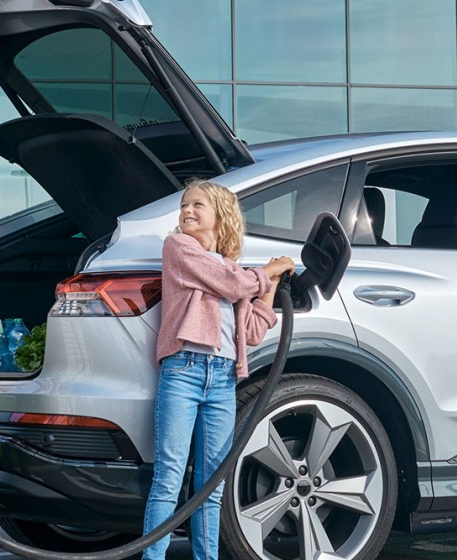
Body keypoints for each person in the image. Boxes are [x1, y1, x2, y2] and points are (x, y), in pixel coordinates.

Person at [144, 180, 296, 560]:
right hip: (184, 371)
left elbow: (253, 331)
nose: (187, 211)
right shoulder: (179, 248)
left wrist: (269, 288)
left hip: (223, 379)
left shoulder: (232, 268)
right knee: (169, 476)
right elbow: (230, 286)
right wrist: (267, 271)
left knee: (212, 483)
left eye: (198, 205)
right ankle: (152, 556)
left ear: (221, 216)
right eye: (184, 205)